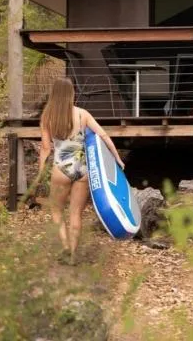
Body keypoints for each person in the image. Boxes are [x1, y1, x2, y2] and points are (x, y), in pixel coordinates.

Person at [38, 77, 124, 265]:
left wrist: (40, 170)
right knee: (75, 213)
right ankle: (74, 254)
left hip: (61, 168)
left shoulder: (47, 116)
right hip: (83, 169)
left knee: (56, 211)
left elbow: (46, 148)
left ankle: (65, 249)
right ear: (71, 94)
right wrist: (116, 158)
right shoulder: (82, 114)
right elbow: (103, 135)